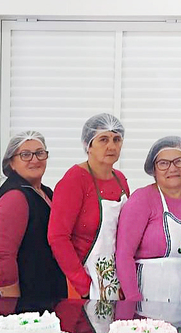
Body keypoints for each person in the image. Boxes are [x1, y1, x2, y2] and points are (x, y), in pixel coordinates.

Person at [47, 113, 130, 300]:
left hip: (114, 280)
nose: (111, 146)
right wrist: (83, 285)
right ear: (88, 145)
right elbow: (57, 237)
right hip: (82, 282)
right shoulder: (74, 180)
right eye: (103, 139)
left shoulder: (121, 180)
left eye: (117, 139)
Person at [115, 136, 181, 303]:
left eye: (179, 161)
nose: (172, 168)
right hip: (147, 300)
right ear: (153, 169)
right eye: (163, 163)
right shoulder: (142, 200)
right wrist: (133, 300)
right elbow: (124, 254)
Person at [0, 131, 66, 298]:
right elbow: (3, 256)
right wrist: (12, 304)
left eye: (40, 153)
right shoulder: (15, 197)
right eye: (25, 155)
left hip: (42, 290)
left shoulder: (46, 192)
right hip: (22, 297)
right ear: (11, 163)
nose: (34, 159)